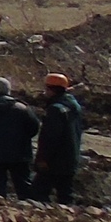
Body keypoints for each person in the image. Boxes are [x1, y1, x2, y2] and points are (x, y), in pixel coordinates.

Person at [31, 72, 86, 205]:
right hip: (71, 157)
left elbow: (50, 138)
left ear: (51, 89)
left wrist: (43, 158)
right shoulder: (74, 107)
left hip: (54, 161)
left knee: (38, 193)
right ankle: (70, 219)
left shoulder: (55, 110)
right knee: (66, 194)